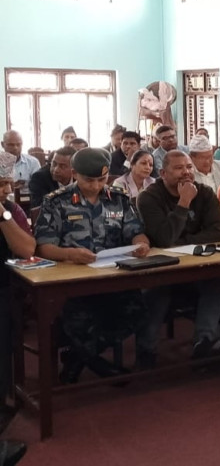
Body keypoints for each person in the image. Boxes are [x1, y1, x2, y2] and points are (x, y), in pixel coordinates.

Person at [34, 148, 150, 383]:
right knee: (79, 320)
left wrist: (141, 244)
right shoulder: (56, 201)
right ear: (75, 173)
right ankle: (98, 365)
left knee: (137, 312)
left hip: (113, 276)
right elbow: (43, 247)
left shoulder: (118, 198)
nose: (96, 186)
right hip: (72, 281)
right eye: (89, 180)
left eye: (101, 179)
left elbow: (136, 232)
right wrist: (69, 254)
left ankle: (77, 358)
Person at [136, 151, 220, 367]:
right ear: (162, 173)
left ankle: (204, 341)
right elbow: (164, 239)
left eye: (189, 167)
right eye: (179, 168)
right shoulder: (149, 197)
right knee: (158, 289)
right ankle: (146, 350)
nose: (186, 173)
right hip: (162, 268)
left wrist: (183, 241)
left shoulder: (204, 192)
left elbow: (219, 231)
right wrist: (184, 201)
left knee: (216, 279)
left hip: (196, 264)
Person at [0, 153, 36, 448]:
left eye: (8, 184)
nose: (6, 190)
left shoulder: (11, 210)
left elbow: (26, 249)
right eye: (0, 184)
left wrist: (2, 214)